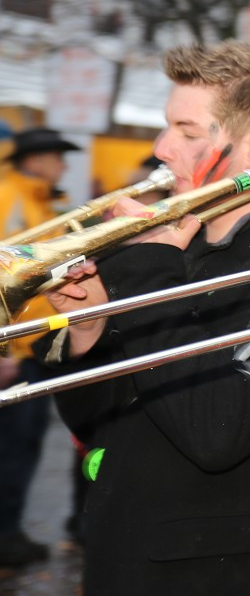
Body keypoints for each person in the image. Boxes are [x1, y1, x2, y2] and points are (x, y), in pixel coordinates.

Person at [39, 41, 250, 596]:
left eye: (187, 132)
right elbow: (96, 425)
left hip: (225, 574)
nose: (162, 148)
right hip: (126, 555)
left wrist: (148, 275)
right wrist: (88, 331)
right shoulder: (169, 247)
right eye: (167, 128)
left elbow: (217, 431)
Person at [0, 127, 80, 567]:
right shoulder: (9, 196)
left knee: (23, 444)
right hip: (15, 351)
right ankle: (5, 533)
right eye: (57, 157)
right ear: (34, 159)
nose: (63, 166)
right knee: (13, 446)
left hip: (30, 347)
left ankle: (9, 528)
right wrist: (4, 353)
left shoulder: (38, 199)